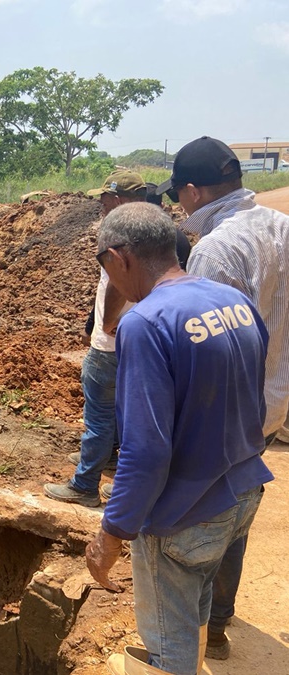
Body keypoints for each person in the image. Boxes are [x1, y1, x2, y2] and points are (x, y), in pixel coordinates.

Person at [85, 202, 273, 675]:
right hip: (241, 495)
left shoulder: (145, 323)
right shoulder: (235, 302)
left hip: (183, 516)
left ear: (118, 257)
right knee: (197, 604)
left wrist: (111, 537)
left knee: (167, 650)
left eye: (102, 264)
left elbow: (145, 453)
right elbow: (253, 398)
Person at [156, 135, 289, 660]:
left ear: (192, 191)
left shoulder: (216, 248)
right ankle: (218, 623)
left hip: (227, 404)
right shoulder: (281, 227)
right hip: (272, 397)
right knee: (239, 502)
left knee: (200, 513)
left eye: (180, 196)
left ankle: (186, 632)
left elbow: (204, 344)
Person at [45, 170, 147, 507]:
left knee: (99, 416)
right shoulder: (162, 234)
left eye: (104, 200)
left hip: (112, 345)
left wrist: (104, 325)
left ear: (118, 200)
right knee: (123, 413)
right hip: (140, 343)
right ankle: (110, 461)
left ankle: (85, 485)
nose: (101, 207)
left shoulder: (119, 235)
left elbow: (116, 286)